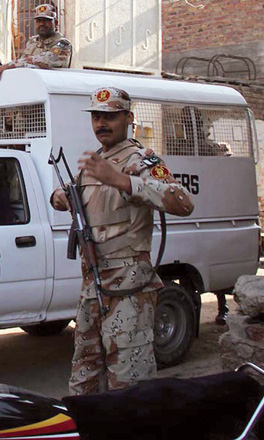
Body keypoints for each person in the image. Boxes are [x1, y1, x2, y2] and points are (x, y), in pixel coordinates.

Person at [50, 87, 194, 395]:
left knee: (130, 387)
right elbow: (77, 197)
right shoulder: (95, 162)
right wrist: (61, 198)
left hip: (129, 290)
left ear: (128, 118)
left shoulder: (142, 160)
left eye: (111, 116)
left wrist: (122, 180)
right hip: (94, 288)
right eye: (97, 117)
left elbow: (183, 203)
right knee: (84, 379)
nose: (102, 123)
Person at [0, 3, 71, 80]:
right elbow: (22, 64)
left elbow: (48, 60)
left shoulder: (63, 44)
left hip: (51, 87)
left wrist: (10, 65)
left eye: (46, 20)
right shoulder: (32, 42)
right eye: (38, 21)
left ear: (56, 23)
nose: (42, 24)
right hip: (31, 84)